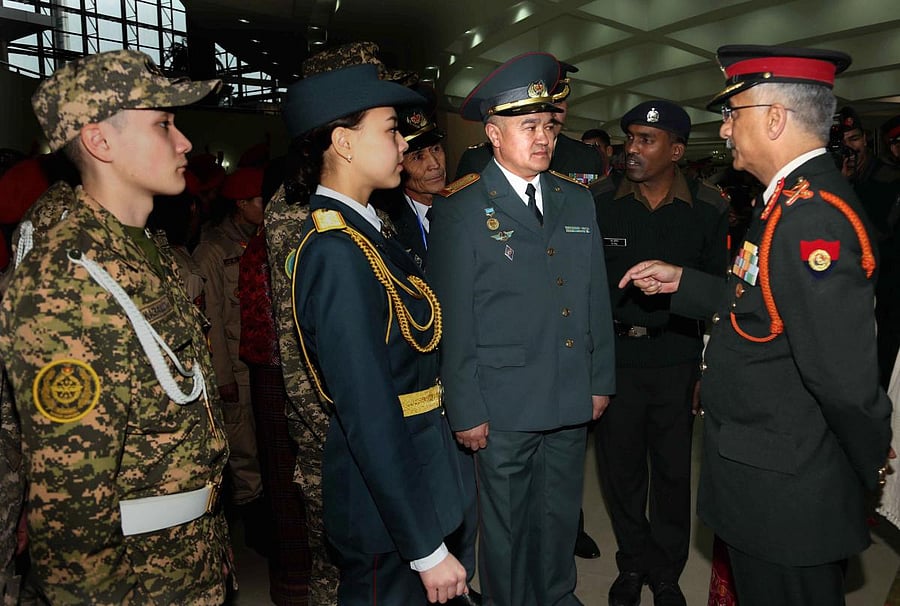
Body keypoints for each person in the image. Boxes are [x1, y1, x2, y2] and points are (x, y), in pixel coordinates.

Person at [619, 44, 893, 606]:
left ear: (773, 118)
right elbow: (763, 302)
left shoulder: (814, 217)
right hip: (768, 475)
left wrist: (864, 466)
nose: (723, 131)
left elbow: (843, 380)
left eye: (732, 113)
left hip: (789, 489)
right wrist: (683, 282)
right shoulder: (785, 202)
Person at [0, 49, 232, 604]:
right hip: (136, 579)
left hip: (187, 556)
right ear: (99, 142)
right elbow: (72, 521)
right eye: (163, 124)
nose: (185, 144)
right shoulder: (67, 282)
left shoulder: (144, 247)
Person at [428, 51, 616, 606]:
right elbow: (452, 319)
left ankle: (557, 597)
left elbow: (593, 297)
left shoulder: (575, 197)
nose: (543, 137)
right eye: (527, 126)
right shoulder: (461, 208)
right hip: (501, 402)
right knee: (506, 528)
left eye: (548, 125)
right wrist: (465, 408)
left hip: (567, 390)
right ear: (493, 133)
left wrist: (599, 377)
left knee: (560, 516)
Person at [283, 62, 468, 604]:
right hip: (386, 510)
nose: (402, 143)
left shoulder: (367, 232)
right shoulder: (338, 252)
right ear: (343, 142)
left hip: (415, 483)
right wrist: (426, 549)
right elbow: (368, 410)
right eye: (390, 129)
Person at [264, 40, 413, 605]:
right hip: (338, 432)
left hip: (377, 424)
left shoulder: (371, 205)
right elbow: (302, 346)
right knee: (346, 580)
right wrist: (338, 437)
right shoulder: (299, 213)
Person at [593, 100, 729, 606]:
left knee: (673, 472)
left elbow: (720, 294)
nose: (632, 148)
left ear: (675, 150)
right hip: (618, 361)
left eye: (646, 140)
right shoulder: (601, 201)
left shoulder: (709, 207)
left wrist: (704, 368)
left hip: (676, 358)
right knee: (622, 472)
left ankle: (667, 572)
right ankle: (632, 564)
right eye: (629, 137)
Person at [371, 97, 482, 605]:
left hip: (473, 373)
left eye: (436, 149)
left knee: (472, 496)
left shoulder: (472, 208)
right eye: (418, 155)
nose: (434, 162)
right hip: (419, 388)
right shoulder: (385, 225)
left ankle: (466, 582)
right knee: (433, 494)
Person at [193, 167, 268, 547]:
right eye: (259, 200)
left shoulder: (261, 241)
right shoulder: (212, 252)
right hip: (234, 373)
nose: (265, 206)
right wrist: (221, 377)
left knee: (266, 451)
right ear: (241, 205)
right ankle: (252, 530)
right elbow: (211, 323)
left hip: (261, 369)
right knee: (244, 456)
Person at [454, 61, 604, 188]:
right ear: (494, 134)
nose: (550, 113)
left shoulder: (587, 157)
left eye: (556, 103)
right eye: (530, 126)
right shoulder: (477, 160)